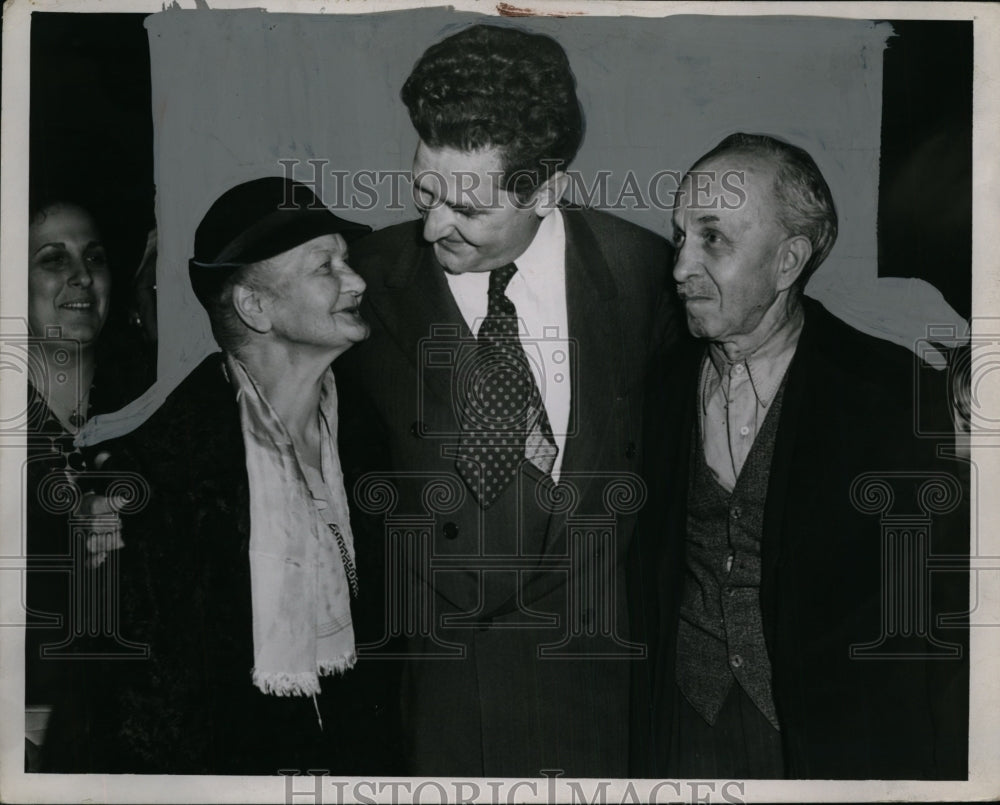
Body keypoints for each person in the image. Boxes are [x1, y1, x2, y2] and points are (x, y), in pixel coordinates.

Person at [335, 24, 677, 777]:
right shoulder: (358, 279)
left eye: (467, 208)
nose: (432, 226)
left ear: (548, 189)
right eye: (424, 191)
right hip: (430, 716)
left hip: (603, 716)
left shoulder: (647, 275)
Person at [41, 177, 402, 775]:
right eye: (325, 267)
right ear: (254, 306)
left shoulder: (370, 435)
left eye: (347, 261)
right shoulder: (151, 479)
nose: (356, 279)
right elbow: (136, 720)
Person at [636, 133, 968, 779]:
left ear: (788, 261)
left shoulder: (889, 395)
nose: (679, 267)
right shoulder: (658, 385)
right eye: (679, 236)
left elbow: (933, 618)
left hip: (826, 743)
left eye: (713, 239)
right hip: (685, 725)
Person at [24, 199, 149, 768]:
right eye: (53, 258)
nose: (80, 274)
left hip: (131, 725)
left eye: (94, 257)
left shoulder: (151, 405)